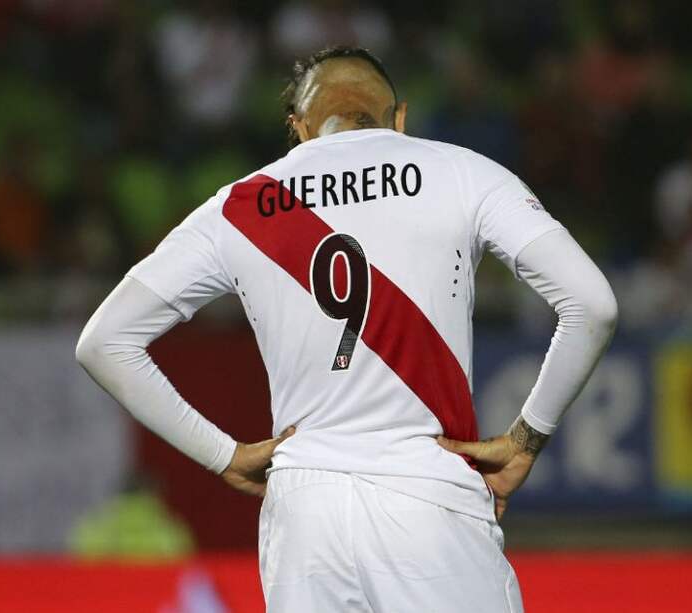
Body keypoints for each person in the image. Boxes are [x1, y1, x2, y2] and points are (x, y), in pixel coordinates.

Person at [76, 46, 617, 612]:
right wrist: (526, 438)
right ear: (399, 117)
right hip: (427, 496)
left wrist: (224, 454)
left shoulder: (237, 208)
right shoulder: (463, 172)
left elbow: (104, 343)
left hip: (303, 519)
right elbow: (592, 305)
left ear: (299, 128)